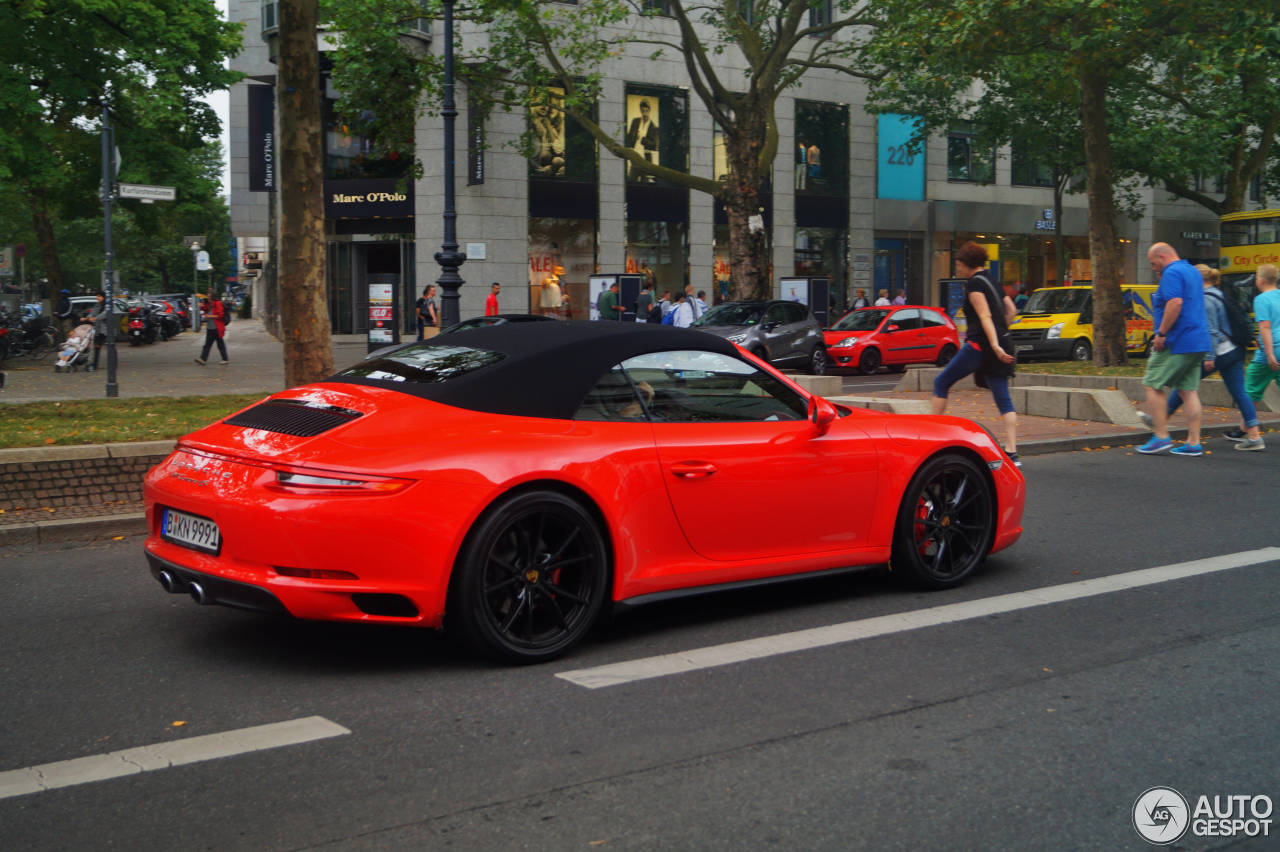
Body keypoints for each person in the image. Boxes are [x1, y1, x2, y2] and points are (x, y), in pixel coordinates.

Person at [931, 241, 1020, 466]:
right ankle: (1012, 451)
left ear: (968, 264)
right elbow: (1011, 310)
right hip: (1001, 344)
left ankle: (932, 432)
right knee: (1003, 398)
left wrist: (993, 343)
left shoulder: (973, 285)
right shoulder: (993, 281)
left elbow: (985, 316)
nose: (958, 269)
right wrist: (1001, 336)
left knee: (941, 382)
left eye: (959, 265)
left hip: (979, 346)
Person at [1156, 265, 1263, 451]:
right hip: (1235, 350)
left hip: (1219, 352)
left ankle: (1160, 423)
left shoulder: (1205, 300)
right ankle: (1254, 436)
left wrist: (1209, 356)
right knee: (1240, 393)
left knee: (1184, 385)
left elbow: (1212, 330)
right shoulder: (1219, 294)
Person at [1137, 242, 1213, 455]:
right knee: (1188, 390)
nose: (1154, 268)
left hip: (1177, 341)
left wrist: (1161, 333)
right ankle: (1193, 442)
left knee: (1152, 384)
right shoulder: (1192, 271)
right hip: (1198, 340)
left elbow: (1175, 303)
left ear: (1162, 257)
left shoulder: (1172, 272)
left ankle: (1161, 436)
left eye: (1153, 263)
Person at [1242, 262, 1280, 449]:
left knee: (1250, 390)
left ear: (1262, 280)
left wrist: (1270, 353)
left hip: (1271, 350)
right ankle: (1241, 428)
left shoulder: (1261, 299)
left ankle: (1251, 434)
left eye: (1256, 276)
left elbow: (1265, 327)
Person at [625, 99, 659, 180]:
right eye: (643, 110)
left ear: (649, 110)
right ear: (640, 110)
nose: (644, 112)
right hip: (635, 158)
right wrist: (634, 137)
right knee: (631, 180)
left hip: (645, 160)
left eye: (646, 110)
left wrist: (643, 140)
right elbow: (628, 139)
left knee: (644, 183)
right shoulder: (635, 121)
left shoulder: (653, 126)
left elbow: (655, 145)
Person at [194, 293, 228, 365]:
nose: (207, 297)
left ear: (212, 297)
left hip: (217, 328)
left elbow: (220, 315)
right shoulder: (210, 304)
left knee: (220, 344)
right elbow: (205, 309)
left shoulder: (217, 303)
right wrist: (201, 306)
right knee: (207, 344)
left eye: (209, 296)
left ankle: (225, 359)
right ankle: (203, 359)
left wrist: (210, 316)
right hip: (210, 328)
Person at [85, 290, 109, 372]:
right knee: (96, 346)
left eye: (99, 296)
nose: (97, 298)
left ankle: (95, 364)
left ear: (103, 297)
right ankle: (94, 364)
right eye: (97, 296)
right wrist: (87, 317)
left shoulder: (107, 305)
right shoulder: (98, 304)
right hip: (98, 329)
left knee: (108, 346)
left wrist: (96, 318)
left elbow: (105, 314)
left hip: (105, 329)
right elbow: (93, 312)